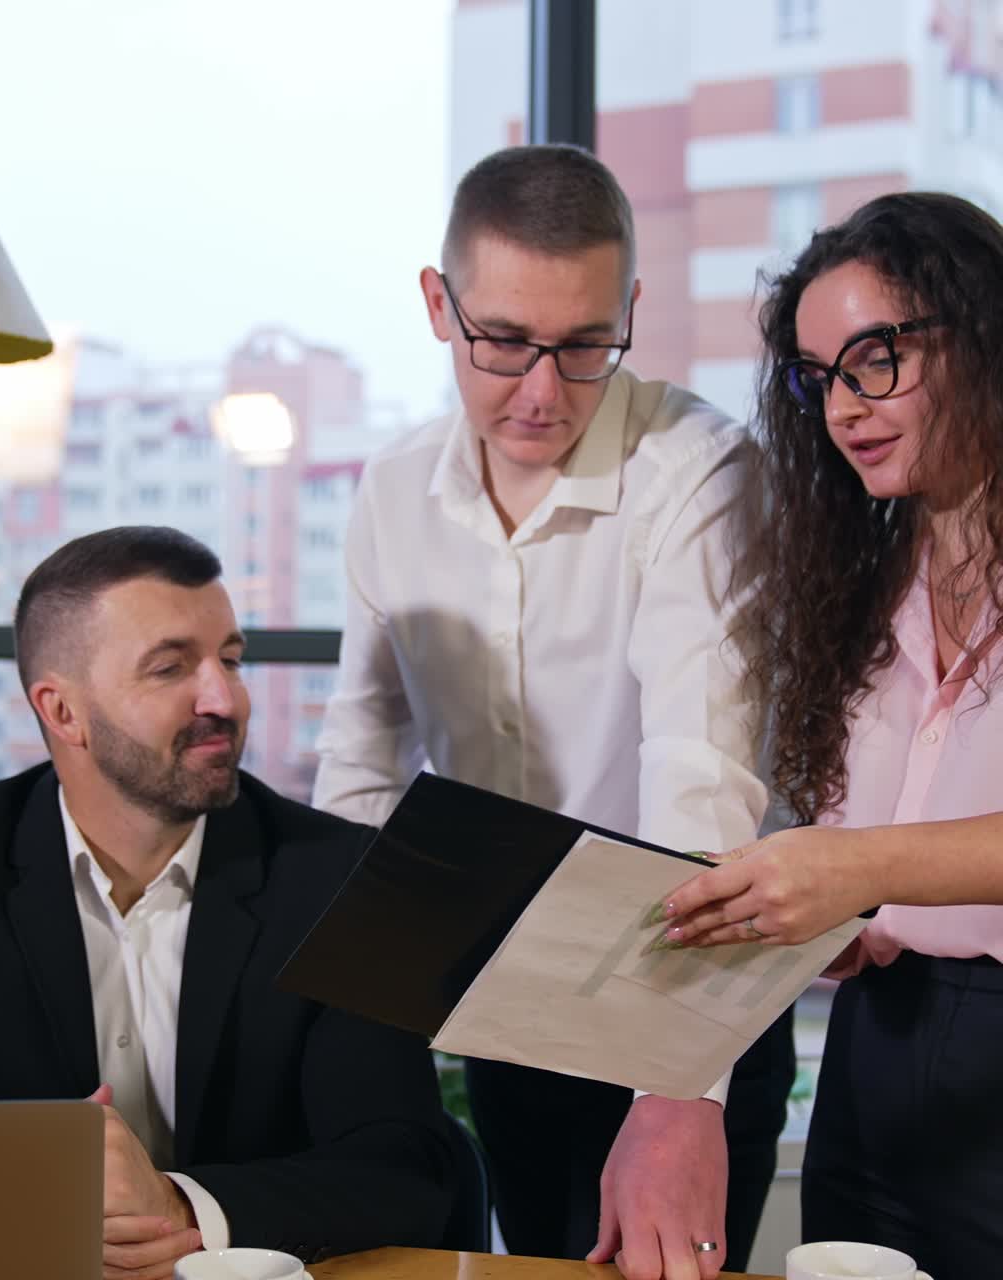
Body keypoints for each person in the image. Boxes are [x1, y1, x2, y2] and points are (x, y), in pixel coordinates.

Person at [311, 143, 791, 1280]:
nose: (540, 390)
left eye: (584, 347)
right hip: (505, 990)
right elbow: (359, 767)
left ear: (628, 309)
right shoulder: (389, 493)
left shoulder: (701, 471)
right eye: (504, 342)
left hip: (693, 986)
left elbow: (700, 777)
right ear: (438, 304)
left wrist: (677, 1085)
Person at [0, 526, 454, 1275]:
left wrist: (182, 1206)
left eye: (230, 660)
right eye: (171, 668)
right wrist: (32, 1187)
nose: (223, 698)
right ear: (62, 712)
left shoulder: (332, 874)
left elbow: (404, 1169)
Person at [654, 191, 1003, 1279]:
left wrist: (852, 865)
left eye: (875, 359)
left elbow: (872, 851)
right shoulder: (859, 571)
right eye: (817, 378)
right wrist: (839, 915)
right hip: (876, 1042)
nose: (842, 406)